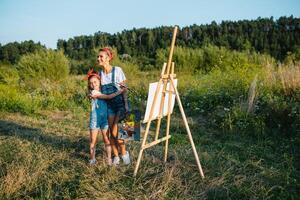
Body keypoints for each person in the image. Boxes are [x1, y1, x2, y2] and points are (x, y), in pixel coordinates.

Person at [96, 47, 130, 166]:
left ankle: (125, 154)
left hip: (120, 103)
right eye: (98, 56)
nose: (98, 58)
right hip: (108, 105)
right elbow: (97, 89)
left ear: (108, 58)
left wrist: (126, 105)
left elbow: (124, 89)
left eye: (101, 56)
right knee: (111, 132)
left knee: (116, 132)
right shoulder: (100, 74)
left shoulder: (117, 70)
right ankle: (116, 157)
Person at [86, 70, 125, 165]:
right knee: (93, 141)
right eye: (91, 83)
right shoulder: (94, 92)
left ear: (100, 81)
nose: (93, 84)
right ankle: (92, 159)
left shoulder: (102, 90)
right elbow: (108, 97)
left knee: (106, 139)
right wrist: (120, 92)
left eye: (95, 82)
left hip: (104, 119)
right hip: (95, 119)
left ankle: (109, 159)